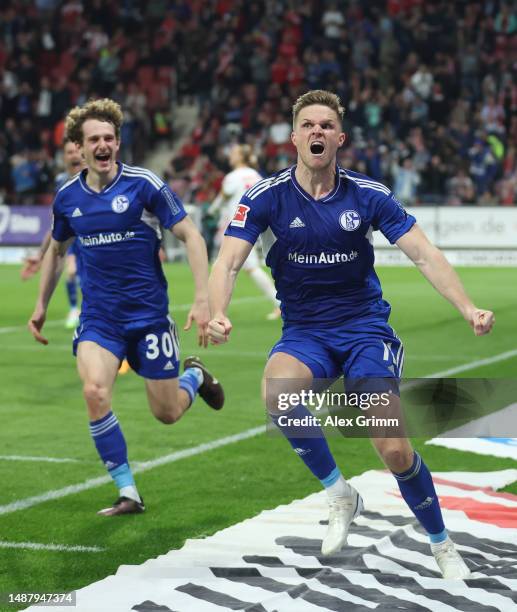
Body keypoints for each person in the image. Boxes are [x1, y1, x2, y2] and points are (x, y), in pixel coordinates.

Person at [207, 90, 494, 579]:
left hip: (364, 329)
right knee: (277, 393)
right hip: (306, 332)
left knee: (395, 449)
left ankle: (442, 543)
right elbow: (229, 260)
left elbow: (423, 253)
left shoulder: (368, 194)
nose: (316, 132)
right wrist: (217, 311)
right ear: (294, 136)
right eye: (307, 125)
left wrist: (467, 307)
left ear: (339, 138)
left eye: (325, 125)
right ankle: (340, 493)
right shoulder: (265, 197)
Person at [28, 98, 224, 516]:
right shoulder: (67, 198)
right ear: (79, 148)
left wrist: (202, 298)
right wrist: (41, 305)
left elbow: (192, 236)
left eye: (109, 138)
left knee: (167, 414)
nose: (103, 145)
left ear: (117, 143)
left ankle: (194, 376)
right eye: (93, 139)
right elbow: (57, 250)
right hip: (100, 321)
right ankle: (127, 491)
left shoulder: (143, 184)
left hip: (150, 319)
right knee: (95, 391)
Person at [209, 144, 281, 320]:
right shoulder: (255, 175)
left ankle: (279, 304)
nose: (230, 155)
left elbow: (223, 198)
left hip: (238, 228)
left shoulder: (232, 177)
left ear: (241, 156)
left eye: (234, 152)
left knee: (231, 266)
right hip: (257, 224)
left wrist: (212, 210)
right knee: (229, 266)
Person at [21, 138, 84, 329]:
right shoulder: (61, 183)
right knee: (71, 272)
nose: (74, 155)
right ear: (63, 158)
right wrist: (40, 255)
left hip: (95, 238)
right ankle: (74, 309)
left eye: (77, 151)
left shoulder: (96, 179)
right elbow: (55, 225)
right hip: (73, 238)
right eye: (69, 152)